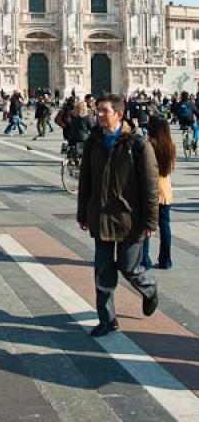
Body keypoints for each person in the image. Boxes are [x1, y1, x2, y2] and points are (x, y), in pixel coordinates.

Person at [77, 93, 159, 337]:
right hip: (101, 215)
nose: (99, 115)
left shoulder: (137, 145)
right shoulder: (94, 141)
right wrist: (83, 212)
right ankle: (107, 319)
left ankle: (149, 288)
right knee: (103, 270)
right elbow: (86, 181)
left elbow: (150, 186)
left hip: (129, 217)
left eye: (104, 111)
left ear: (119, 114)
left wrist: (150, 221)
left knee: (130, 267)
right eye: (98, 111)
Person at [142, 116, 176, 270]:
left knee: (146, 225)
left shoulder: (148, 145)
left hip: (151, 190)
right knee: (165, 226)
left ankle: (145, 259)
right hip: (166, 191)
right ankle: (166, 260)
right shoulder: (171, 145)